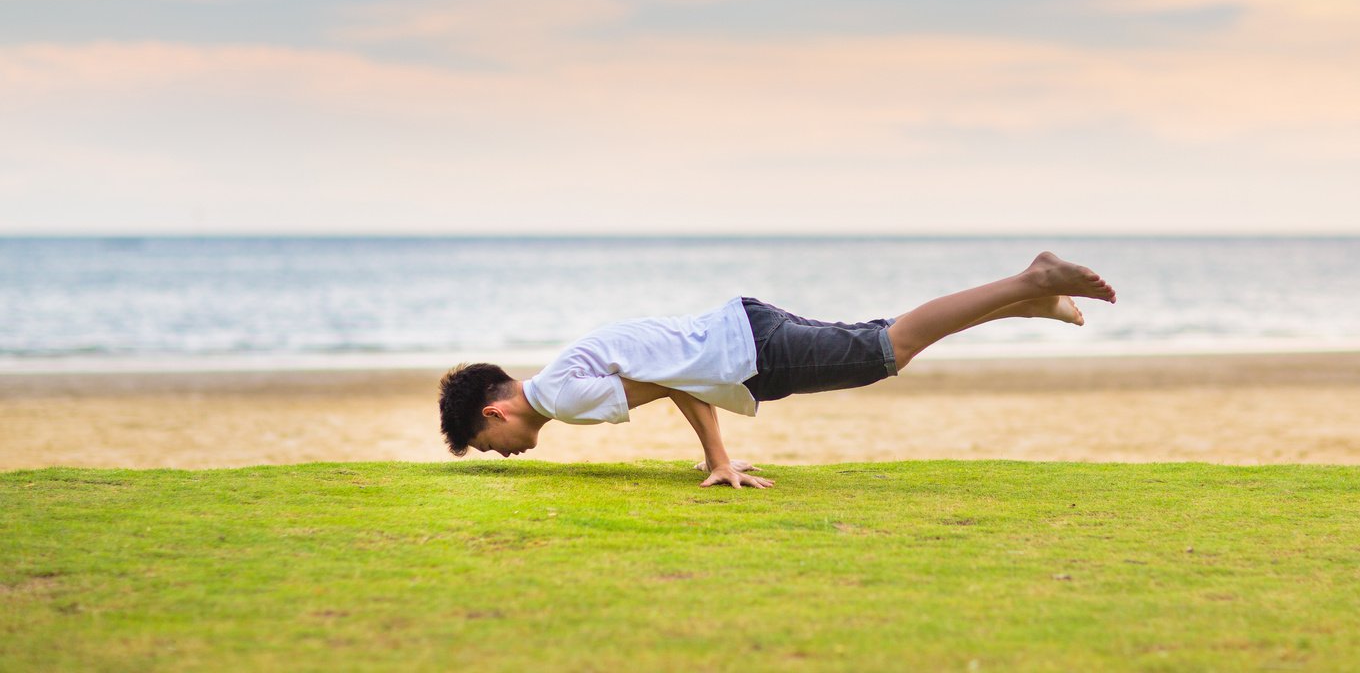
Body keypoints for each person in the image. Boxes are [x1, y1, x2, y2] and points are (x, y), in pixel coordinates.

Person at [438, 251, 1116, 488]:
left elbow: (678, 377)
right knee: (887, 344)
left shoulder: (560, 397)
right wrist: (717, 456)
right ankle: (1028, 301)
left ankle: (1028, 281)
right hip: (746, 332)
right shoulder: (563, 379)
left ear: (495, 413)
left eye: (484, 446)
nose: (500, 453)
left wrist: (719, 458)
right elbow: (674, 371)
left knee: (890, 347)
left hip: (750, 350)